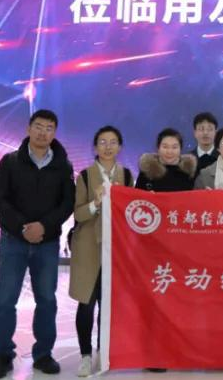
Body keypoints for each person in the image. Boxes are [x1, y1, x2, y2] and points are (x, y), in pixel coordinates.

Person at [0, 110, 74, 379]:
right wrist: (23, 227)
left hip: (47, 243)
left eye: (49, 128)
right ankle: (3, 355)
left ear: (54, 133)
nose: (43, 132)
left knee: (46, 300)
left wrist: (44, 226)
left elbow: (67, 204)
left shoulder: (63, 166)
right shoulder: (10, 161)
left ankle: (44, 354)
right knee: (5, 300)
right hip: (13, 240)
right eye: (38, 126)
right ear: (28, 129)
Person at [69, 126, 133, 377]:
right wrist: (96, 203)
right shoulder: (85, 176)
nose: (108, 147)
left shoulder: (126, 175)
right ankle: (85, 355)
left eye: (113, 142)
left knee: (108, 305)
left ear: (120, 147)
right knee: (87, 303)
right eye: (103, 142)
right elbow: (78, 214)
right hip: (89, 248)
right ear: (95, 147)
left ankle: (103, 351)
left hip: (116, 250)